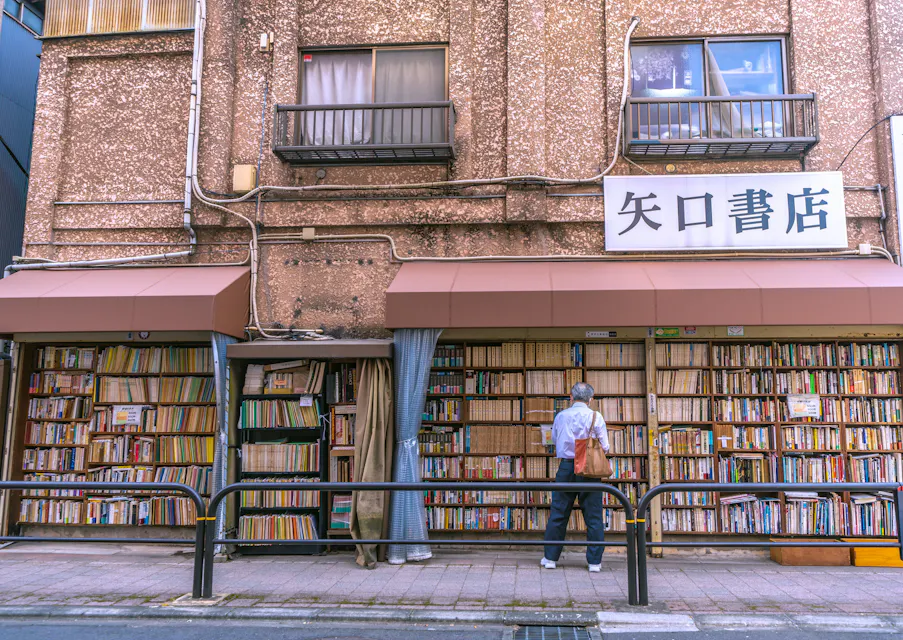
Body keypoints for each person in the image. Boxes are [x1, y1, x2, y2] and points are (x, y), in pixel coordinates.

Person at [541, 381, 610, 572]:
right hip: (589, 468)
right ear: (591, 399)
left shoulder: (561, 416)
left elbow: (555, 440)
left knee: (559, 512)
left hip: (567, 467)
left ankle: (550, 558)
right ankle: (594, 562)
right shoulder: (596, 416)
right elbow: (605, 446)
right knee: (593, 515)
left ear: (571, 397)